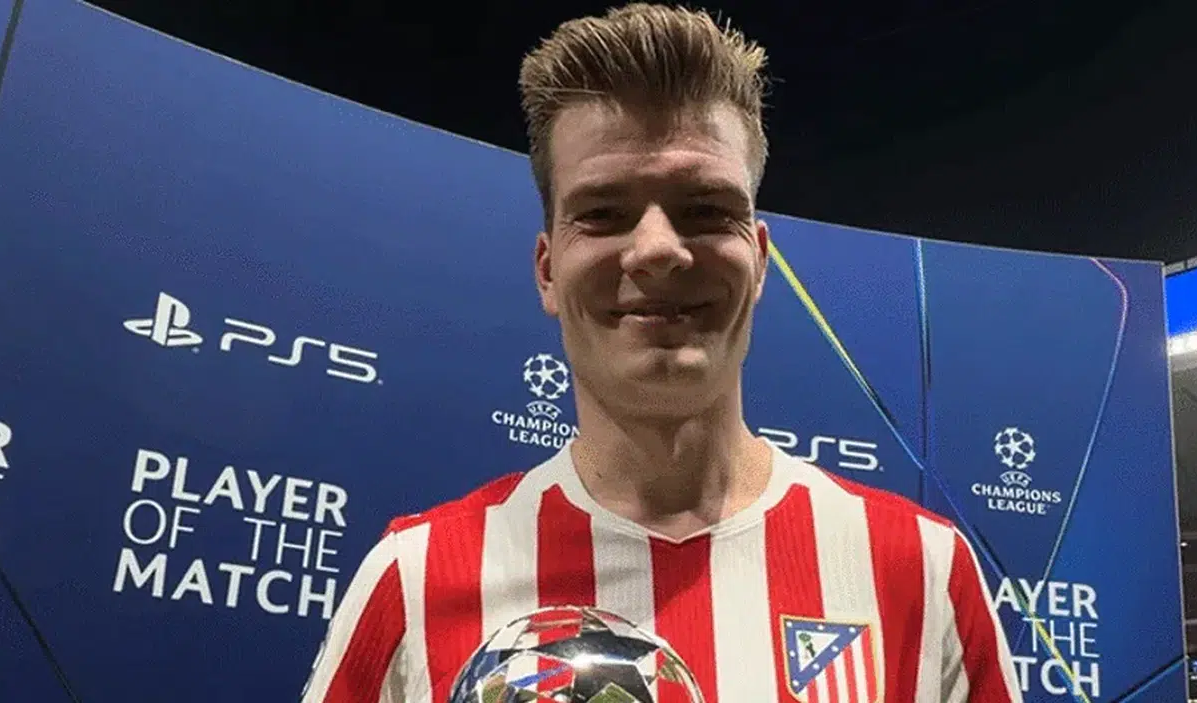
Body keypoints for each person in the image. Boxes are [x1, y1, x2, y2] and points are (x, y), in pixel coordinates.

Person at [301, 4, 1023, 702]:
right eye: (603, 214)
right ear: (547, 270)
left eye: (705, 209)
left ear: (759, 260)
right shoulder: (416, 579)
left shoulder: (920, 569)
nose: (656, 249)